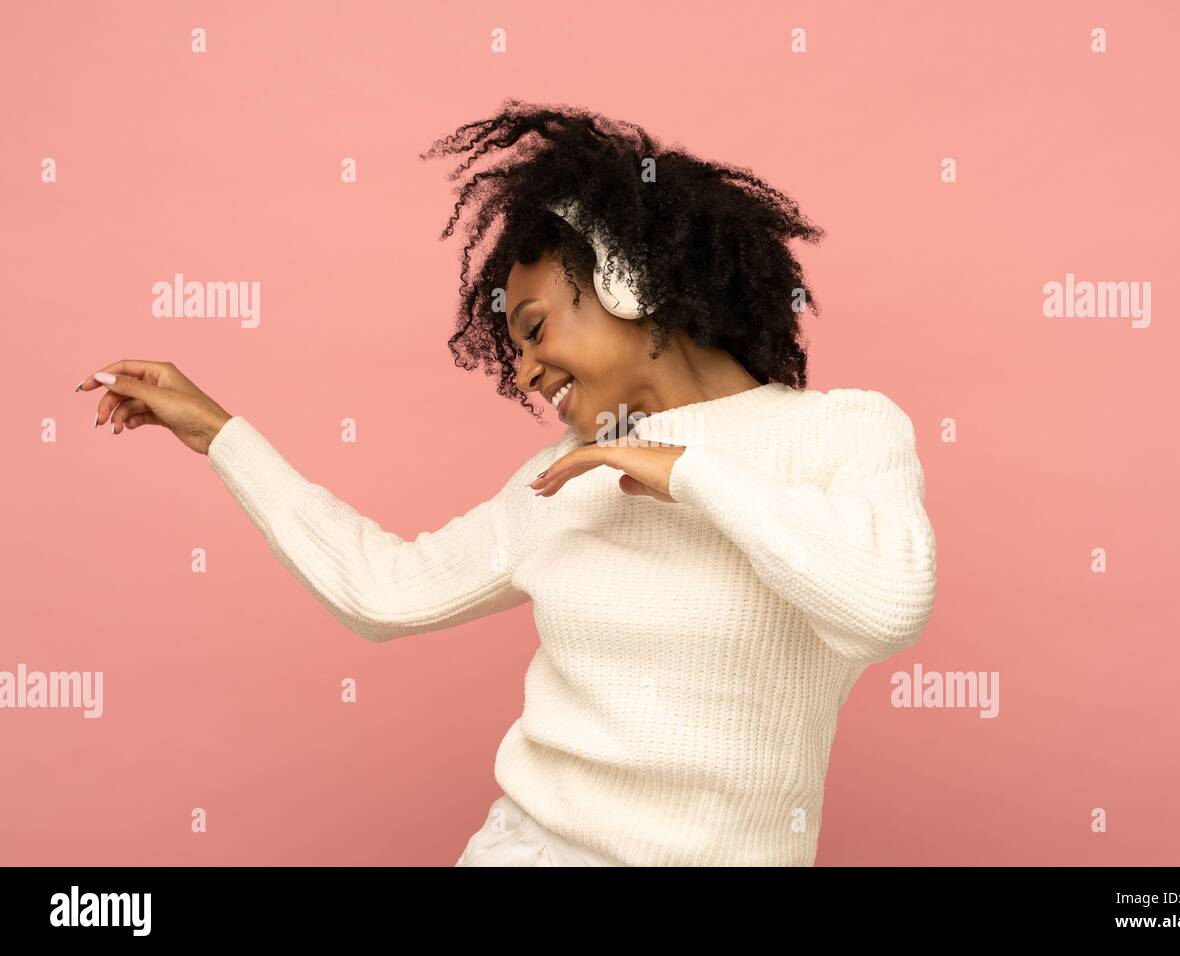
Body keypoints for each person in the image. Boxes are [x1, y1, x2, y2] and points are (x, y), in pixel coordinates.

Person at [74, 101, 938, 866]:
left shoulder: (841, 432)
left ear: (629, 280)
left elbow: (885, 605)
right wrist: (223, 437)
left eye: (533, 330)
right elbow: (385, 591)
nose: (525, 376)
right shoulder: (566, 475)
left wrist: (689, 472)